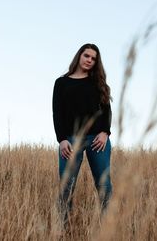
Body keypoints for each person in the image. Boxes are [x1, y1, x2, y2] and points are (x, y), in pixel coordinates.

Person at [52, 43, 112, 226]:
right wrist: (62, 139)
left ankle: (108, 228)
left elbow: (106, 110)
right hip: (70, 140)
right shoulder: (61, 82)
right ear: (79, 56)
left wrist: (105, 132)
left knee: (104, 186)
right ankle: (63, 229)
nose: (89, 60)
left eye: (94, 59)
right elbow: (57, 113)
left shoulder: (98, 83)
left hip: (97, 140)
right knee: (66, 187)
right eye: (87, 56)